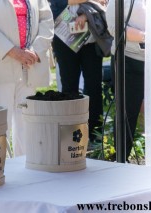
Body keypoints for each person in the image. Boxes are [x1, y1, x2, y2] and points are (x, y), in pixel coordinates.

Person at [0, 0, 54, 156]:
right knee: (1, 121)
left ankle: (25, 165)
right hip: (1, 65)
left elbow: (47, 20)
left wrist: (35, 50)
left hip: (30, 65)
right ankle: (0, 166)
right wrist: (15, 52)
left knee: (27, 120)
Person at [48, 0, 111, 146]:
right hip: (64, 36)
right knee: (69, 87)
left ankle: (96, 133)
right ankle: (71, 133)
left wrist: (85, 14)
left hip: (91, 38)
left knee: (94, 85)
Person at [106, 0, 146, 160]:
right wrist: (145, 37)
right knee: (127, 114)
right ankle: (121, 161)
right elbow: (114, 27)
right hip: (127, 60)